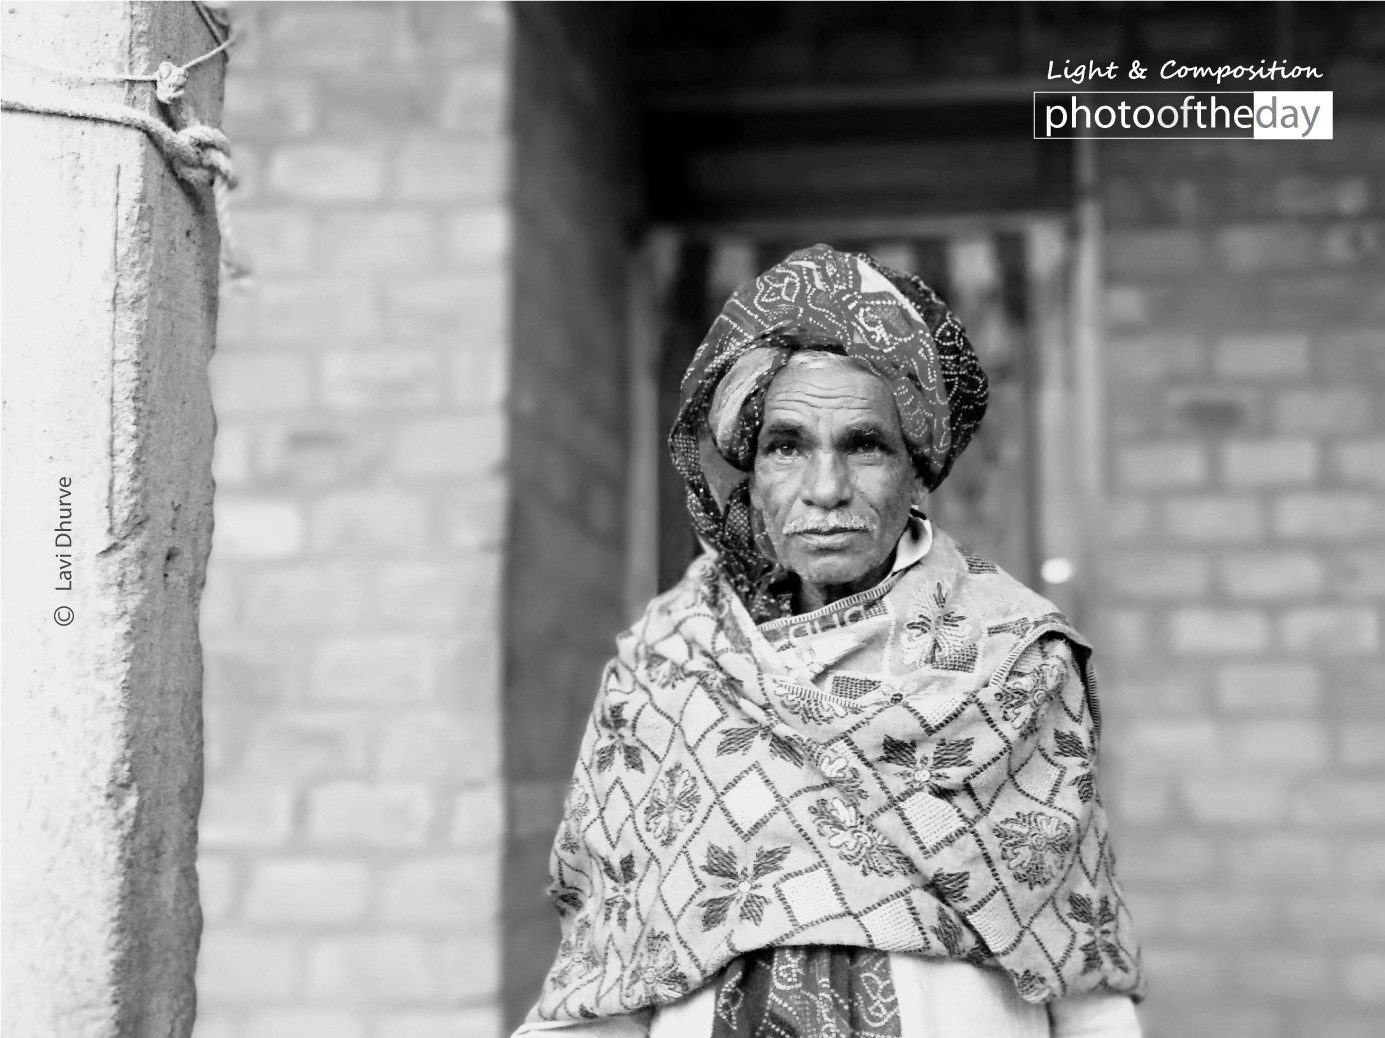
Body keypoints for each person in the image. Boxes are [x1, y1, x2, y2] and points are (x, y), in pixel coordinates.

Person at [515, 244, 1145, 1038]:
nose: (824, 489)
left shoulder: (1014, 660)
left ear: (916, 470)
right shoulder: (667, 662)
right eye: (786, 446)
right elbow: (608, 963)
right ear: (749, 471)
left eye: (864, 445)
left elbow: (1077, 960)